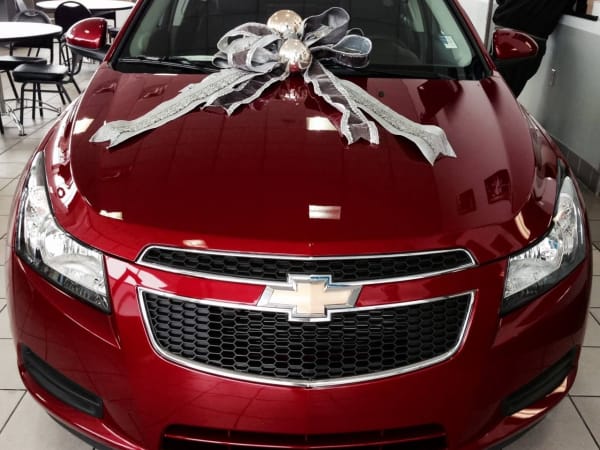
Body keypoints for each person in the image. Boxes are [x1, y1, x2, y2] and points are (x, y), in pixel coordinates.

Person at [492, 0, 579, 96]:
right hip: (530, 39)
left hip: (504, 29)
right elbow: (575, 9)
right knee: (501, 95)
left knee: (493, 89)